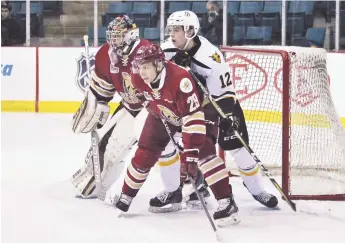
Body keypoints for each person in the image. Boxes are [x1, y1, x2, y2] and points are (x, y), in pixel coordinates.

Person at [71, 15, 200, 213]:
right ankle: (100, 181)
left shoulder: (147, 53)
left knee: (159, 145)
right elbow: (102, 90)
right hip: (131, 107)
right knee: (108, 146)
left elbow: (168, 83)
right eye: (112, 36)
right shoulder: (107, 54)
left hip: (156, 108)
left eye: (119, 36)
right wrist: (96, 107)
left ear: (131, 35)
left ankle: (192, 183)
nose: (114, 41)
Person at [160, 10, 278, 209]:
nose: (172, 34)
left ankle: (258, 191)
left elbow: (225, 93)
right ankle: (190, 186)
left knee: (237, 148)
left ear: (190, 31)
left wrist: (227, 117)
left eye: (177, 29)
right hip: (190, 108)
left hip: (219, 104)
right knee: (186, 145)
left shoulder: (210, 57)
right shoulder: (167, 50)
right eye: (170, 29)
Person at [114, 43, 240, 227]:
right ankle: (127, 194)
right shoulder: (138, 77)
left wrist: (189, 157)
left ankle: (227, 202)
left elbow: (192, 119)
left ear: (158, 65)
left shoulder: (181, 81)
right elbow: (142, 96)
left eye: (146, 67)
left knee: (204, 153)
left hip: (199, 110)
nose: (142, 72)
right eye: (140, 67)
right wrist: (148, 104)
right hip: (164, 112)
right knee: (145, 150)